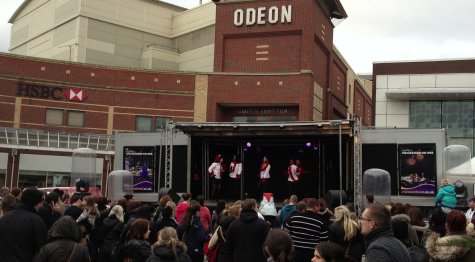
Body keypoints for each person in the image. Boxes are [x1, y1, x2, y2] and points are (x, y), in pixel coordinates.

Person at [0, 187, 48, 262]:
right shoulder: (36, 221)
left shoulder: (5, 217)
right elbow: (42, 249)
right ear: (34, 202)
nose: (42, 205)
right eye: (40, 202)